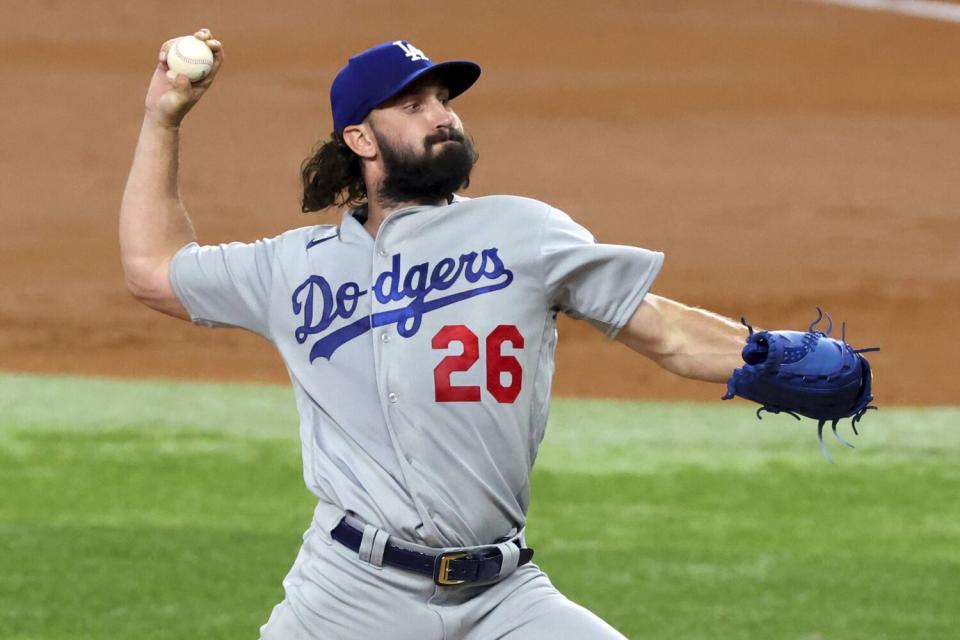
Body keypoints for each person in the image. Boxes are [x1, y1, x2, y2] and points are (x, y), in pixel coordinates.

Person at [120, 30, 748, 639]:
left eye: (445, 102)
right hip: (348, 595)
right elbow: (153, 271)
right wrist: (162, 120)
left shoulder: (522, 231)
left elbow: (666, 331)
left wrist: (782, 358)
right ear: (360, 138)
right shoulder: (290, 267)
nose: (442, 117)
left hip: (501, 596)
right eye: (414, 105)